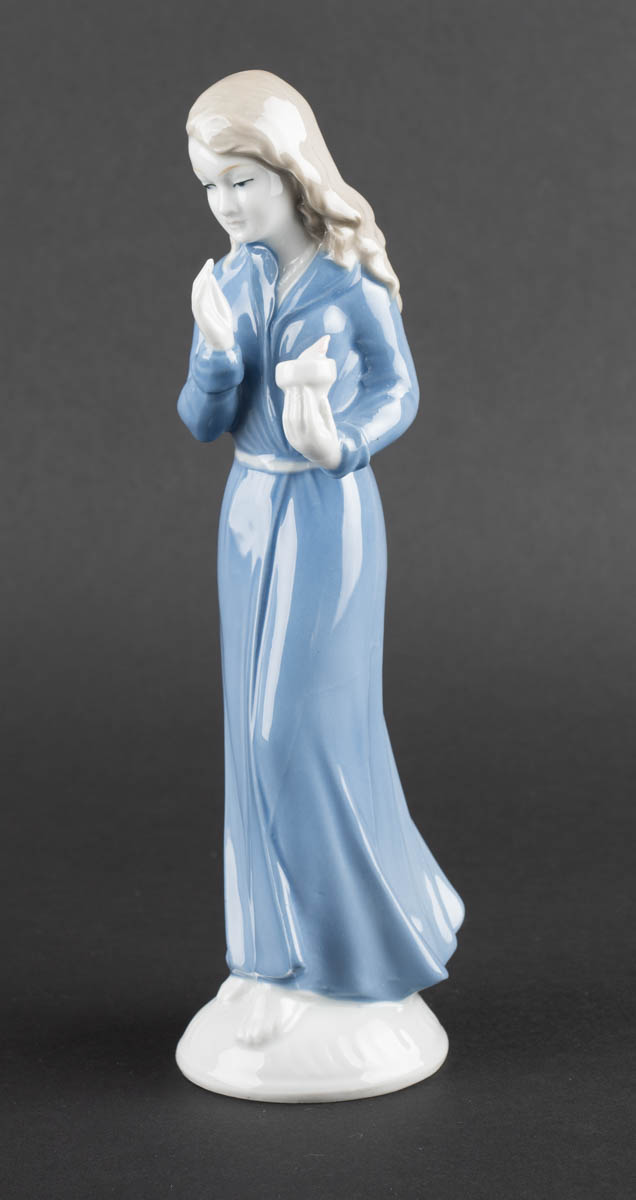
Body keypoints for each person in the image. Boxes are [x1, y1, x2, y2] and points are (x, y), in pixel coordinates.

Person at [178, 70, 464, 1040]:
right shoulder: (230, 282)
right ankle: (272, 961)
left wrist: (341, 442)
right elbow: (201, 419)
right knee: (248, 744)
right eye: (210, 185)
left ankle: (355, 959)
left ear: (291, 170)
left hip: (327, 512)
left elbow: (400, 388)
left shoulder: (349, 280)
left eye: (241, 180)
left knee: (293, 733)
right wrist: (216, 354)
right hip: (249, 513)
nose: (225, 204)